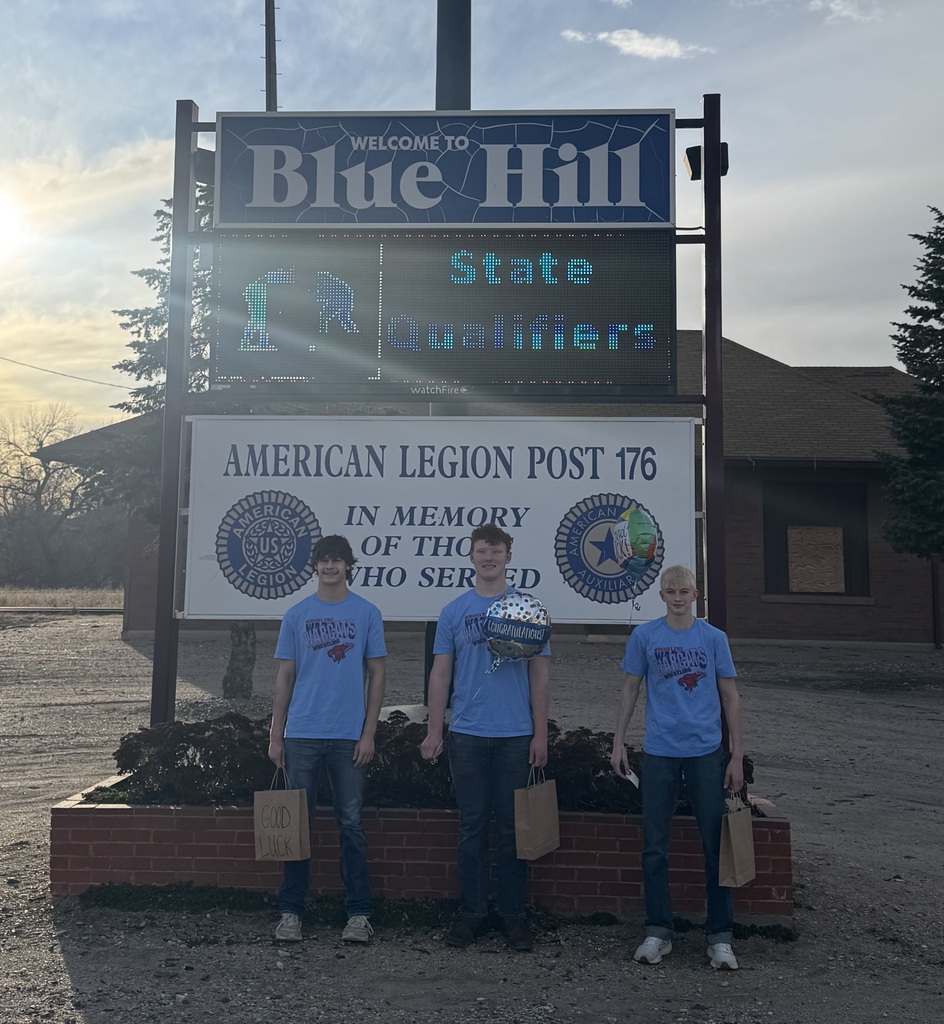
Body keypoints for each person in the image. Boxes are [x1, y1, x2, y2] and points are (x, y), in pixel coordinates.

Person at [420, 523, 551, 952]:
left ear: (508, 557)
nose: (488, 557)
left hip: (515, 735)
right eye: (481, 551)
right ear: (471, 557)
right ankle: (473, 914)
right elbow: (440, 673)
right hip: (468, 735)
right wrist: (435, 728)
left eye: (496, 550)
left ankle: (513, 917)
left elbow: (540, 674)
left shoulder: (527, 610)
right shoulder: (453, 611)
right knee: (472, 827)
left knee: (515, 831)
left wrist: (540, 733)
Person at [609, 564, 744, 971]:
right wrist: (618, 742)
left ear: (695, 594)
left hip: (705, 752)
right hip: (661, 752)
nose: (678, 596)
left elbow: (730, 696)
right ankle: (658, 930)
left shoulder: (713, 638)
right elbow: (630, 688)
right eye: (671, 591)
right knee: (654, 845)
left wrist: (736, 754)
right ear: (662, 595)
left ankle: (719, 935)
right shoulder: (645, 636)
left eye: (685, 590)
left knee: (714, 845)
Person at [268, 534, 386, 944]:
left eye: (338, 560)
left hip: (349, 736)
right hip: (301, 733)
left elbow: (378, 674)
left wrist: (369, 731)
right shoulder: (296, 615)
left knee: (351, 824)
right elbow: (285, 676)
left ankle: (358, 913)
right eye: (324, 560)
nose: (330, 566)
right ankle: (290, 911)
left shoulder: (367, 612)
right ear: (315, 566)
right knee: (297, 827)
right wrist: (276, 733)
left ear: (348, 565)